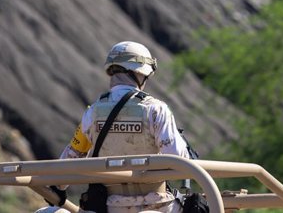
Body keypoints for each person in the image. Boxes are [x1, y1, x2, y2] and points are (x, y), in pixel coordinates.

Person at [42, 41, 192, 213]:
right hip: (158, 207)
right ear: (140, 72)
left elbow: (69, 160)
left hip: (111, 207)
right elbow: (179, 159)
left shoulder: (93, 112)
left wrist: (58, 189)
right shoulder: (156, 109)